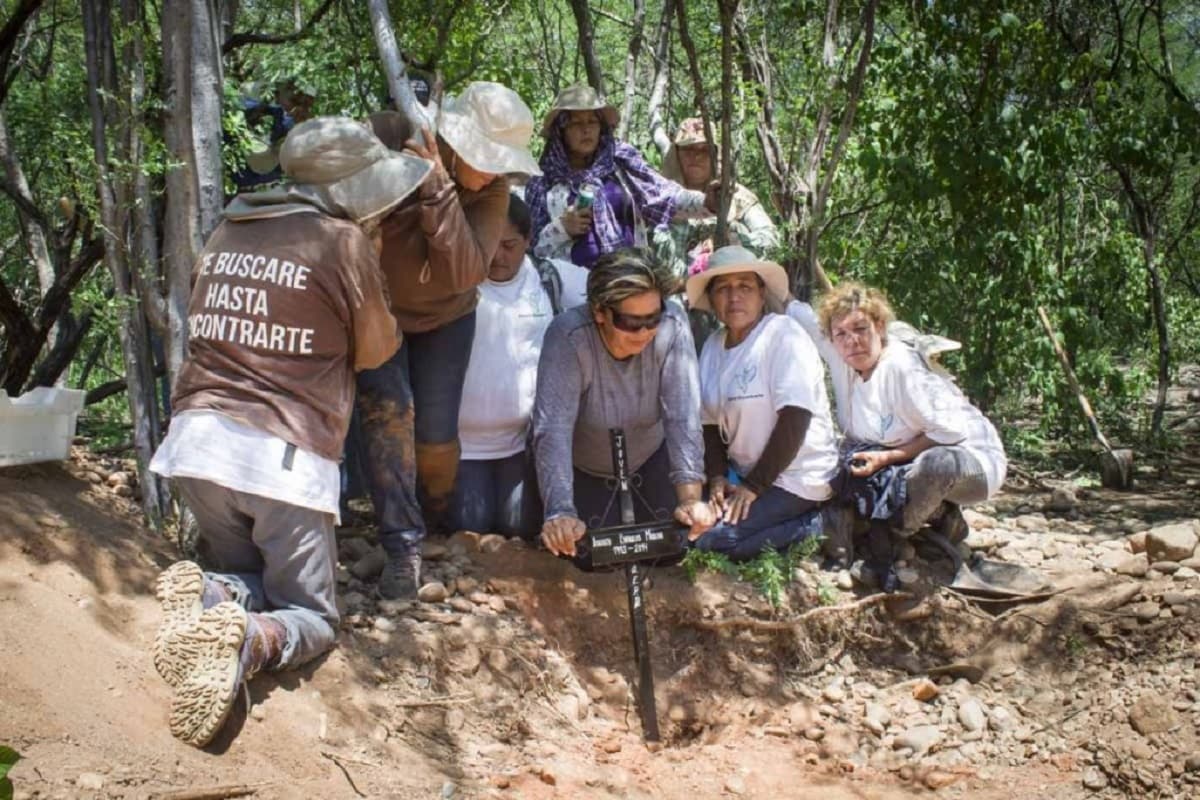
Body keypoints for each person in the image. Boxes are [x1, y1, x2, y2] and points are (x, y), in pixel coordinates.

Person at [148, 117, 430, 747]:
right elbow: (379, 348)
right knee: (311, 615)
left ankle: (210, 598)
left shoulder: (227, 229)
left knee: (249, 572)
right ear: (355, 187)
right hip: (280, 457)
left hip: (195, 445)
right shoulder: (340, 240)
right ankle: (248, 643)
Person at [357, 81, 542, 599]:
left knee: (436, 439)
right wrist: (405, 179)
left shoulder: (493, 193)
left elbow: (465, 271)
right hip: (381, 313)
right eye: (487, 157)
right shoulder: (392, 136)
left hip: (446, 319)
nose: (493, 171)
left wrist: (438, 189)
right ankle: (401, 544)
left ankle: (431, 521)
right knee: (386, 418)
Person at [787, 282, 1007, 588]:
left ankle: (896, 534)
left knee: (937, 464)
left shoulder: (902, 368)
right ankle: (938, 517)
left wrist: (889, 456)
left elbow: (951, 431)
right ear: (832, 337)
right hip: (901, 456)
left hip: (970, 462)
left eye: (861, 329)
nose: (853, 341)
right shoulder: (840, 355)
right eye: (842, 334)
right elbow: (795, 310)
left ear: (879, 326)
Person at [533, 249, 715, 566]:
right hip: (585, 467)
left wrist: (689, 498)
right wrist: (560, 509)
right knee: (588, 557)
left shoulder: (673, 324)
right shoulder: (568, 335)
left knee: (673, 549)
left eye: (652, 319)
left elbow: (682, 416)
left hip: (649, 458)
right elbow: (553, 429)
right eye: (630, 322)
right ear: (599, 312)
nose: (644, 332)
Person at [683, 246, 837, 560]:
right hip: (748, 474)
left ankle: (821, 524)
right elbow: (709, 423)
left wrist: (753, 487)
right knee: (688, 522)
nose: (734, 296)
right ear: (712, 299)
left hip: (797, 475)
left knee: (715, 540)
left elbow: (795, 418)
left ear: (761, 293)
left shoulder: (783, 335)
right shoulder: (713, 346)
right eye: (723, 288)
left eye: (744, 286)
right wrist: (717, 477)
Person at [450, 194, 588, 538]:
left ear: (528, 240)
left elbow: (610, 294)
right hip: (461, 447)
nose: (497, 256)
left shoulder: (548, 279)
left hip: (522, 445)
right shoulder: (454, 282)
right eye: (489, 243)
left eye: (509, 244)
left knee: (518, 528)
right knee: (471, 526)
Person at [525, 85, 717, 269]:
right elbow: (531, 249)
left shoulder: (621, 163)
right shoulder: (543, 182)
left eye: (592, 121)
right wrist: (562, 228)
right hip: (574, 289)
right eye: (576, 123)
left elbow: (665, 195)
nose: (586, 130)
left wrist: (707, 201)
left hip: (632, 276)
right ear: (561, 131)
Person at [662, 117, 779, 275]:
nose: (696, 157)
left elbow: (771, 238)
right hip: (670, 290)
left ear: (715, 155)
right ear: (676, 155)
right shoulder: (659, 195)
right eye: (688, 150)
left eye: (704, 150)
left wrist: (735, 241)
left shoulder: (736, 195)